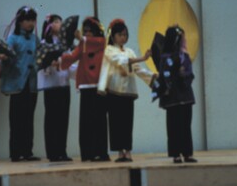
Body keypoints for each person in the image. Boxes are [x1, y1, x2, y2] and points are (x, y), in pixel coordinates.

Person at [98, 19, 156, 162]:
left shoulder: (130, 51)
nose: (123, 37)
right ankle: (120, 152)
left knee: (127, 123)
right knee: (116, 123)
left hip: (128, 92)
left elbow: (138, 69)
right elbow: (120, 60)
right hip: (114, 90)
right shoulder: (109, 50)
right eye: (120, 35)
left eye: (125, 35)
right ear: (113, 36)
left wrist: (153, 77)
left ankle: (128, 151)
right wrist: (142, 58)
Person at [55, 16, 110, 162]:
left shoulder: (102, 42)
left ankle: (102, 152)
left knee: (100, 120)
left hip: (100, 85)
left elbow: (97, 43)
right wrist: (59, 61)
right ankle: (87, 153)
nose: (86, 34)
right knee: (86, 121)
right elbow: (72, 57)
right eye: (85, 31)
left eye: (89, 31)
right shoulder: (83, 44)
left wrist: (82, 39)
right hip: (86, 85)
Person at [0, 6, 41, 162]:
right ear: (20, 21)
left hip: (31, 83)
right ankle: (16, 152)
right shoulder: (13, 38)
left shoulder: (35, 39)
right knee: (17, 119)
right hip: (18, 83)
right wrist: (5, 58)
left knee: (29, 119)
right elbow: (7, 58)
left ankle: (27, 151)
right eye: (27, 20)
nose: (30, 23)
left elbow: (39, 57)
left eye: (32, 20)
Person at [37, 14, 75, 162]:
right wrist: (48, 65)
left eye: (60, 21)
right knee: (52, 118)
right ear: (49, 25)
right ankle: (52, 152)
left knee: (63, 118)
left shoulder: (66, 43)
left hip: (64, 83)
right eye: (56, 22)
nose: (59, 24)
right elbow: (40, 63)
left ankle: (62, 151)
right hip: (50, 85)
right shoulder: (43, 43)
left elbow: (71, 61)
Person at [156, 25, 197, 163]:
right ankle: (175, 154)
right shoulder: (165, 57)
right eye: (182, 38)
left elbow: (190, 74)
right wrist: (174, 74)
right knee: (174, 126)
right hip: (172, 96)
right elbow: (164, 75)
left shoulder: (185, 56)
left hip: (185, 95)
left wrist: (184, 75)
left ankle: (187, 153)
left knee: (186, 125)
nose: (184, 40)